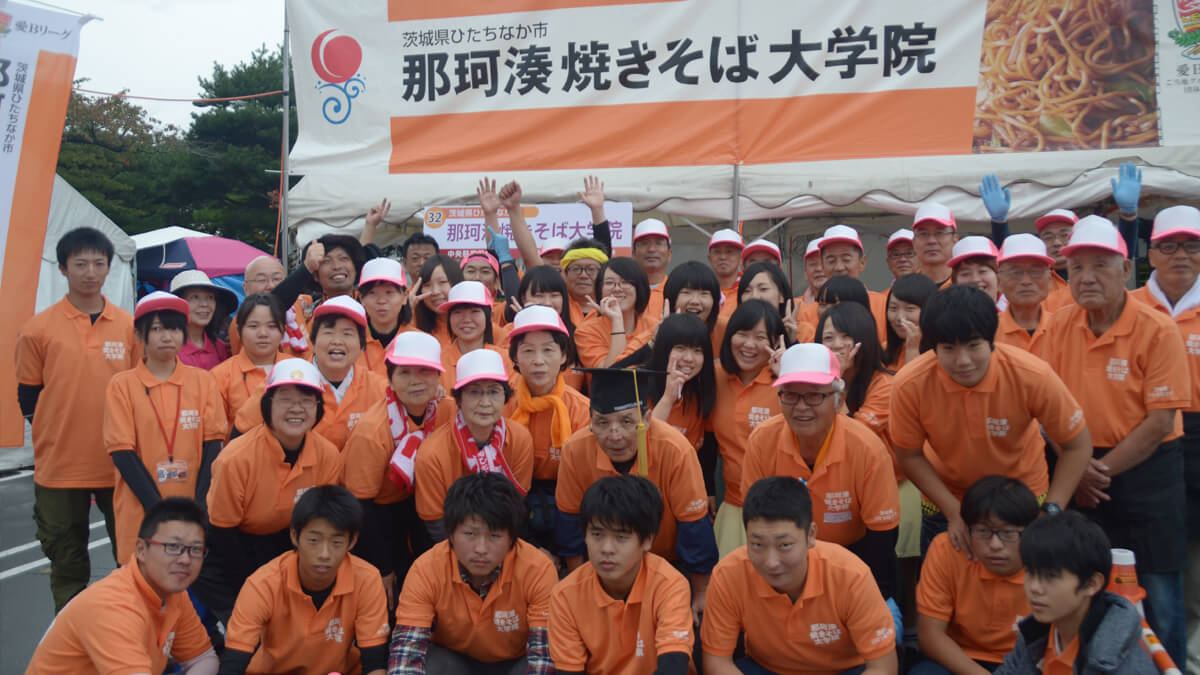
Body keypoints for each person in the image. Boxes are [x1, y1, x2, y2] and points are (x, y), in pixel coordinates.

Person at [1039, 216, 1191, 667]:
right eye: (1077, 267)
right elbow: (1042, 406)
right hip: (1076, 462)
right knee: (1087, 583)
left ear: (1127, 270)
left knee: (1160, 588)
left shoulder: (1157, 328)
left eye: (1100, 266)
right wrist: (1077, 467)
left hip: (1147, 470)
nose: (1086, 277)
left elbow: (1160, 421)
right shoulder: (1057, 326)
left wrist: (1093, 472)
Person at [889, 286, 1092, 556]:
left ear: (991, 340)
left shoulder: (1031, 375)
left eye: (974, 346)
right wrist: (952, 511)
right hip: (947, 498)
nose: (963, 361)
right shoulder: (909, 383)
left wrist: (1052, 510)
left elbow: (1077, 445)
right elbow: (909, 455)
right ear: (933, 346)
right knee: (946, 582)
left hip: (1023, 495)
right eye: (948, 349)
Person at [15, 227, 136, 611]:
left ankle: (126, 640)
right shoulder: (38, 329)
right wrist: (55, 431)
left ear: (109, 268)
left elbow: (139, 390)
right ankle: (72, 650)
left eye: (99, 263)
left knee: (130, 563)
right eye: (80, 263)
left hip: (118, 465)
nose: (90, 271)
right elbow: (27, 394)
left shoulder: (129, 326)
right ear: (63, 269)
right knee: (66, 565)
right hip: (59, 467)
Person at [741, 343, 900, 604]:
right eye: (790, 395)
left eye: (815, 395)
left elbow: (881, 540)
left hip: (855, 561)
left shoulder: (867, 448)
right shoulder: (762, 441)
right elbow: (756, 522)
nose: (801, 407)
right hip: (781, 564)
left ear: (838, 399)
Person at [555, 367, 716, 615]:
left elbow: (693, 526)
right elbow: (569, 523)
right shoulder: (575, 450)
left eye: (627, 421)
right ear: (590, 423)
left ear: (648, 419)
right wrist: (580, 587)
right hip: (604, 566)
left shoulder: (675, 449)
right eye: (602, 423)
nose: (615, 435)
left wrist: (702, 593)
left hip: (667, 562)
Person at [701, 476, 898, 675]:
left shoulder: (851, 575)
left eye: (784, 545)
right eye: (757, 544)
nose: (771, 562)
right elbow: (718, 662)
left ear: (811, 535)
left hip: (845, 670)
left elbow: (883, 667)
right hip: (765, 669)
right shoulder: (728, 575)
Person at [200, 358, 343, 620]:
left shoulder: (328, 455)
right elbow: (223, 533)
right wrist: (254, 592)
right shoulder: (235, 459)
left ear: (318, 408)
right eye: (285, 399)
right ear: (267, 405)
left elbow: (321, 524)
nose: (296, 409)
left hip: (287, 548)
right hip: (232, 550)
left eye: (306, 400)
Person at [26, 498, 218, 674]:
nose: (185, 559)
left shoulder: (173, 593)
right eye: (173, 547)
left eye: (195, 549)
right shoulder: (112, 606)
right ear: (141, 550)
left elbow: (203, 658)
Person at [391, 473, 557, 674]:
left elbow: (543, 656)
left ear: (512, 538)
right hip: (453, 661)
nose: (481, 548)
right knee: (431, 665)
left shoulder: (538, 569)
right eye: (470, 534)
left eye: (494, 536)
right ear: (451, 534)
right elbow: (407, 651)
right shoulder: (426, 569)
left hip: (516, 663)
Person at [104, 291, 226, 563]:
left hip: (192, 512)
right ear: (140, 336)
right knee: (142, 588)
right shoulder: (122, 385)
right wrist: (159, 512)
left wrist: (196, 508)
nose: (167, 337)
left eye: (173, 329)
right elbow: (122, 452)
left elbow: (213, 447)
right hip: (141, 513)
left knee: (189, 587)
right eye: (157, 329)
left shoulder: (203, 382)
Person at [1130, 205, 1200, 672]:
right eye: (1169, 245)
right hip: (1143, 443)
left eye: (1192, 246)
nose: (1181, 255)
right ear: (1151, 253)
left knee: (1192, 571)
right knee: (1153, 569)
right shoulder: (1129, 306)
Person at [218, 486, 388, 675]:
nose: (324, 554)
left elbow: (375, 663)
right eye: (314, 541)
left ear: (352, 541)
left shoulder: (367, 579)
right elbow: (234, 662)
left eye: (336, 542)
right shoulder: (262, 584)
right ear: (294, 536)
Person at [343, 332, 455, 596]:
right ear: (390, 380)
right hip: (380, 517)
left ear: (439, 377)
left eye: (425, 372)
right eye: (404, 373)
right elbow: (361, 507)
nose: (415, 381)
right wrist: (381, 567)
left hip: (426, 507)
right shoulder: (372, 431)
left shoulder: (445, 410)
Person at [550, 475, 696, 675]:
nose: (607, 549)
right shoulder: (565, 595)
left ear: (647, 541)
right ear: (584, 535)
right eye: (597, 535)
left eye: (621, 537)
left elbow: (673, 664)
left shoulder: (670, 584)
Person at [994, 512, 1157, 675]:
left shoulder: (1122, 665)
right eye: (1030, 572)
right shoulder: (1035, 633)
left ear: (1092, 584)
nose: (1034, 587)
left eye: (1051, 576)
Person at [914, 476, 1039, 675]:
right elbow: (930, 636)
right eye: (982, 531)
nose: (995, 545)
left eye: (1008, 533)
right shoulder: (947, 549)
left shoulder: (1050, 557)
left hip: (1028, 660)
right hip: (960, 658)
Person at [233, 296, 389, 450]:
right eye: (328, 332)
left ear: (362, 346)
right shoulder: (282, 378)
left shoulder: (380, 389)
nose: (337, 341)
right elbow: (241, 432)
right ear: (313, 341)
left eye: (347, 333)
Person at [413, 349, 534, 542]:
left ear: (506, 396)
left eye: (494, 392)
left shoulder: (520, 439)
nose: (485, 403)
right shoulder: (432, 454)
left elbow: (516, 506)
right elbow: (436, 523)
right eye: (474, 393)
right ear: (459, 399)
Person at [503, 306, 590, 547]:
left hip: (569, 503)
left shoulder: (582, 410)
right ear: (515, 358)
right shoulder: (502, 405)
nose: (538, 361)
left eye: (548, 350)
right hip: (513, 500)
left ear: (563, 356)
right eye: (528, 351)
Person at [710, 299, 787, 557]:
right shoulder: (715, 377)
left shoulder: (788, 384)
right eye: (742, 334)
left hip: (780, 510)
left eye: (760, 337)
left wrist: (786, 380)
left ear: (776, 342)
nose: (749, 345)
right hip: (733, 505)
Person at [817, 303, 896, 455]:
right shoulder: (817, 382)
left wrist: (836, 381)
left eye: (846, 336)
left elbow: (854, 439)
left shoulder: (886, 385)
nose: (837, 345)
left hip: (883, 471)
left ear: (864, 338)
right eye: (828, 338)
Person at [271, 233, 368, 354]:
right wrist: (306, 268)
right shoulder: (304, 310)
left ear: (355, 268)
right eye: (326, 261)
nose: (337, 266)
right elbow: (268, 307)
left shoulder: (372, 306)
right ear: (315, 275)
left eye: (344, 258)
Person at [209, 293, 286, 433]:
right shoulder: (220, 376)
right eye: (253, 326)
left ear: (283, 331)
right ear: (238, 331)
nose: (263, 333)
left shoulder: (298, 368)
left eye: (272, 326)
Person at [650, 312, 718, 451]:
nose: (689, 358)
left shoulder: (696, 397)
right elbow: (641, 446)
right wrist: (668, 399)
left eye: (697, 350)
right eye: (680, 348)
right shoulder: (635, 383)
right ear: (663, 349)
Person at [575, 257, 657, 367]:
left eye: (625, 282)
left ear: (639, 288)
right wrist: (617, 321)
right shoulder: (586, 331)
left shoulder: (654, 327)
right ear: (600, 289)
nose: (617, 289)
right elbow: (614, 373)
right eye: (609, 283)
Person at [514, 264, 585, 391]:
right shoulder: (511, 334)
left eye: (554, 295)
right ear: (524, 298)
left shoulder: (579, 335)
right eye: (539, 295)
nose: (547, 303)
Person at [818, 224, 889, 342]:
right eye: (831, 261)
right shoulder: (812, 311)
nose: (839, 267)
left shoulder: (884, 305)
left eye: (846, 260)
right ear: (822, 265)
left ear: (862, 262)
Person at [438, 280, 513, 392]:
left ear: (490, 316)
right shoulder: (438, 363)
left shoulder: (506, 360)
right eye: (458, 312)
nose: (466, 320)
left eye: (475, 311)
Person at [995, 235, 1056, 353]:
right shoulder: (988, 331)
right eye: (1015, 272)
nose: (1026, 281)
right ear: (999, 282)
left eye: (1035, 271)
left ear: (1049, 279)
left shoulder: (1064, 329)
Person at [170, 270, 237, 370]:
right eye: (195, 297)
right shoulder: (168, 348)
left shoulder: (222, 349)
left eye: (210, 297)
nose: (204, 304)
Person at [357, 257, 412, 376]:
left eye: (389, 292)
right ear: (361, 299)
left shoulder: (419, 341)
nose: (381, 301)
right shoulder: (352, 341)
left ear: (404, 297)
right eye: (372, 293)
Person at [738, 261, 812, 344]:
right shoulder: (735, 333)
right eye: (747, 291)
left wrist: (791, 342)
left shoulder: (804, 332)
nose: (754, 296)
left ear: (781, 295)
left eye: (763, 289)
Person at [663, 260, 724, 355]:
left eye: (704, 294)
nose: (695, 301)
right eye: (686, 293)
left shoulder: (726, 331)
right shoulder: (655, 334)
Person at [232, 256, 286, 355]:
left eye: (277, 279)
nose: (271, 286)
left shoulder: (301, 306)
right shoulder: (242, 321)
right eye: (261, 280)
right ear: (246, 288)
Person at [883, 273, 938, 371]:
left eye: (910, 309)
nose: (900, 318)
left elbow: (912, 385)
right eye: (893, 308)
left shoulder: (940, 354)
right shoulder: (883, 350)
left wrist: (912, 349)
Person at [412, 254, 466, 348]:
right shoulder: (411, 325)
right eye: (427, 285)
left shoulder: (477, 324)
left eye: (442, 282)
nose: (435, 292)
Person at [632, 218, 672, 318]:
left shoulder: (677, 291)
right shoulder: (623, 292)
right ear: (634, 254)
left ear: (669, 254)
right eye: (644, 243)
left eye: (658, 243)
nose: (651, 249)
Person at [912, 203, 959, 287]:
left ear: (955, 240)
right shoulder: (903, 290)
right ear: (913, 242)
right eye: (923, 234)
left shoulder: (966, 286)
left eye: (939, 233)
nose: (931, 241)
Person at [948, 237, 1002, 304]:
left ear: (999, 277)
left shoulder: (1016, 310)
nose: (975, 279)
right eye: (965, 274)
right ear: (954, 281)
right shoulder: (943, 312)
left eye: (982, 271)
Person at [708, 227, 745, 304]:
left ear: (741, 258)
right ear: (709, 258)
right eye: (717, 252)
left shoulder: (749, 288)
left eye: (729, 252)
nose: (723, 257)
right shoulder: (701, 288)